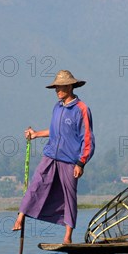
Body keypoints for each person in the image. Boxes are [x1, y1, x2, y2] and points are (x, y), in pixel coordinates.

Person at [12, 70, 95, 244]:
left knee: (69, 196)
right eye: (56, 87)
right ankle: (20, 217)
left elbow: (87, 139)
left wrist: (81, 162)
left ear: (70, 86)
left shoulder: (82, 110)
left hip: (70, 160)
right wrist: (35, 134)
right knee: (36, 184)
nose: (57, 90)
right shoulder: (57, 107)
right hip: (50, 156)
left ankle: (67, 237)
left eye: (61, 86)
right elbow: (55, 131)